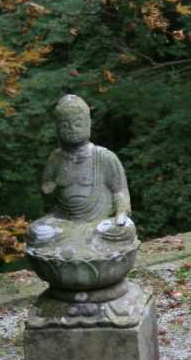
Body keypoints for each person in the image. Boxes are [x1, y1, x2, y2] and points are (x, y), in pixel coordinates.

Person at [26, 94, 136, 255]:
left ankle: (80, 247)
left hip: (99, 223)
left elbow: (120, 190)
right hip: (64, 222)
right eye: (65, 125)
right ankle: (78, 246)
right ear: (57, 128)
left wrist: (122, 212)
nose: (72, 129)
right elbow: (48, 200)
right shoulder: (56, 159)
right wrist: (49, 190)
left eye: (77, 124)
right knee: (36, 231)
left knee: (123, 230)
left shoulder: (104, 157)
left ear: (88, 124)